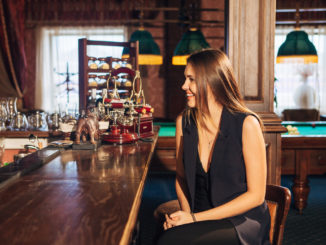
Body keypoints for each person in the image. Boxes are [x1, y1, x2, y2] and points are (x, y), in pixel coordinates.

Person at [156, 49, 271, 245]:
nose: (184, 86)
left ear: (212, 82)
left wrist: (193, 220)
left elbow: (256, 196)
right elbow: (181, 178)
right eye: (185, 79)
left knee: (169, 241)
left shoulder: (247, 124)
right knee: (168, 236)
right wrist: (186, 215)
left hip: (241, 221)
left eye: (191, 79)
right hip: (200, 216)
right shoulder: (183, 123)